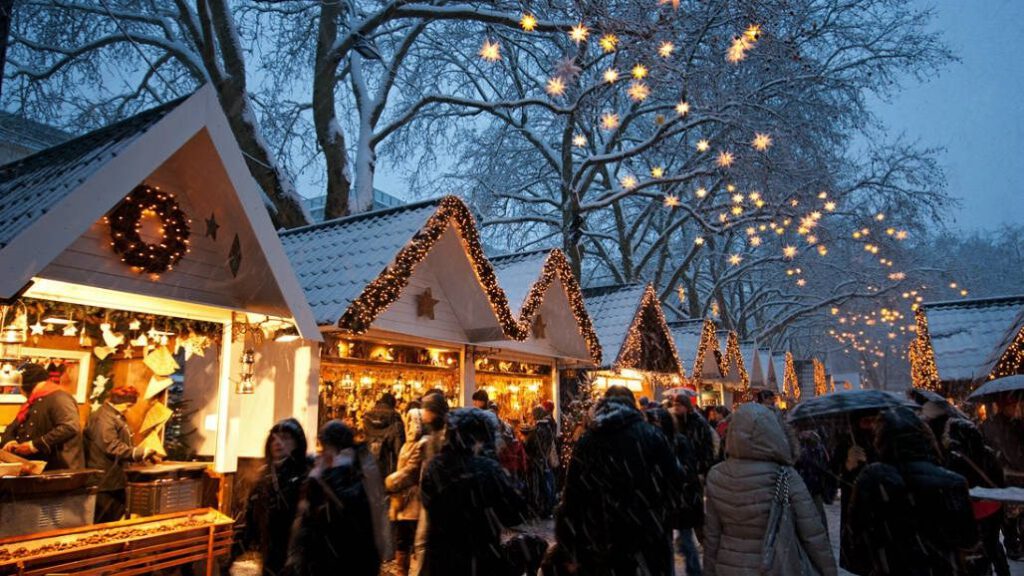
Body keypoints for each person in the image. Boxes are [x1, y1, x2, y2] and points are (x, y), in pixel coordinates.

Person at [555, 386, 684, 576]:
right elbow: (674, 484)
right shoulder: (652, 436)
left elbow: (573, 499)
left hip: (601, 545)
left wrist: (569, 547)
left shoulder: (588, 441)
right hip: (647, 543)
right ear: (633, 406)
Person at [702, 403, 837, 576]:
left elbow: (712, 536)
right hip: (776, 564)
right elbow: (812, 533)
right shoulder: (785, 475)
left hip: (729, 566)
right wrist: (829, 570)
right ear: (772, 433)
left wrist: (709, 570)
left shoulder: (716, 475)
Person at [848, 407, 978, 575]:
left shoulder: (872, 479)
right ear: (924, 435)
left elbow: (858, 548)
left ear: (881, 439)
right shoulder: (953, 481)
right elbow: (969, 540)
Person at [420, 408, 526, 575]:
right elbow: (513, 511)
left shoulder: (435, 466)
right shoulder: (487, 469)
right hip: (479, 558)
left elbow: (428, 502)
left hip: (440, 559)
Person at [285, 420, 391, 576]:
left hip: (350, 554)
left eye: (324, 446)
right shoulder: (344, 467)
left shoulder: (354, 469)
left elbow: (349, 506)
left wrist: (330, 472)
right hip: (334, 554)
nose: (321, 452)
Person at [241, 418, 310, 576]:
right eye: (274, 438)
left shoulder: (306, 476)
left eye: (285, 438)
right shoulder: (264, 478)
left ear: (297, 442)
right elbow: (251, 516)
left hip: (299, 559)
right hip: (270, 556)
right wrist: (238, 549)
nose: (278, 443)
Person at [943, 417, 1011, 576]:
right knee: (993, 545)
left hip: (972, 511)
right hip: (993, 508)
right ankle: (1002, 570)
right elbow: (1000, 480)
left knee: (977, 551)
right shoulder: (987, 452)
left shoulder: (953, 457)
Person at [84, 386, 155, 523]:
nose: (128, 409)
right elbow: (110, 445)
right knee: (105, 523)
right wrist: (138, 452)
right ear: (118, 401)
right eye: (128, 405)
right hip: (104, 481)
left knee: (115, 520)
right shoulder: (103, 418)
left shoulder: (111, 416)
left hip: (113, 480)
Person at [646, 407, 704, 576]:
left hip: (679, 499)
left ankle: (693, 570)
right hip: (670, 500)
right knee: (671, 543)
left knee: (684, 541)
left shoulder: (676, 441)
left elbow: (686, 470)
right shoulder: (659, 441)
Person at [1, 362, 83, 470]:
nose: (19, 391)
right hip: (32, 467)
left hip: (56, 469)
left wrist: (34, 445)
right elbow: (13, 426)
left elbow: (70, 426)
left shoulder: (60, 398)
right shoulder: (33, 400)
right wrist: (10, 441)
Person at [833, 409, 880, 574]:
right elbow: (831, 482)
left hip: (880, 506)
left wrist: (872, 463)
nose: (871, 426)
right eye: (866, 422)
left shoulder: (884, 442)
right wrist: (848, 465)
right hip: (854, 507)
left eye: (875, 421)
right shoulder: (845, 445)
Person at [386, 408, 428, 576]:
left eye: (413, 422)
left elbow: (411, 471)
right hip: (402, 501)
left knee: (415, 541)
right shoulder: (406, 445)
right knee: (402, 542)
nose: (410, 426)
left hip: (414, 501)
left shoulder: (422, 444)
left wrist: (392, 482)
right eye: (408, 422)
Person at [981, 395, 1024, 560]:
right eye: (1011, 406)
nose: (1014, 408)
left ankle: (1016, 544)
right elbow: (1007, 450)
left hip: (1015, 474)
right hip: (1006, 475)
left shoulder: (1016, 423)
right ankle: (1012, 546)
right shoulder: (995, 425)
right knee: (1010, 514)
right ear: (1003, 407)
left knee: (1017, 512)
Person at [410, 391, 448, 576]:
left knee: (423, 541)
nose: (421, 411)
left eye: (425, 408)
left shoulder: (442, 435)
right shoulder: (432, 434)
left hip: (437, 497)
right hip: (432, 495)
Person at [793, 429, 836, 532]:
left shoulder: (816, 447)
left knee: (816, 523)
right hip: (805, 490)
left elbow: (824, 468)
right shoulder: (812, 447)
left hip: (811, 490)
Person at [670, 393, 716, 476]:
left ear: (686, 406)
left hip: (697, 462)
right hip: (685, 462)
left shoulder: (698, 421)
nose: (676, 407)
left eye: (679, 405)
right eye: (675, 405)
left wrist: (704, 463)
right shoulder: (675, 421)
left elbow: (705, 443)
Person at [524, 405, 556, 519]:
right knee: (546, 484)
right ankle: (546, 508)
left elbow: (529, 446)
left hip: (536, 463)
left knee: (537, 486)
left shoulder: (536, 430)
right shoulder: (548, 428)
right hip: (545, 461)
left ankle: (538, 509)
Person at [363, 392, 405, 479]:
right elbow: (399, 439)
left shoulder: (367, 415)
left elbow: (364, 435)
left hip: (369, 457)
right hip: (388, 458)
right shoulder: (395, 416)